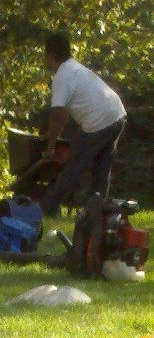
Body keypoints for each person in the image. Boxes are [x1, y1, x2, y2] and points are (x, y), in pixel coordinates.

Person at [40, 31, 126, 213]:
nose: (44, 59)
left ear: (51, 55)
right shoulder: (74, 67)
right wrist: (51, 133)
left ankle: (46, 208)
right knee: (102, 170)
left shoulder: (61, 77)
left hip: (98, 121)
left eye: (44, 54)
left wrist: (50, 149)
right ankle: (98, 212)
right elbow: (62, 113)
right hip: (116, 114)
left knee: (73, 166)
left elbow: (58, 115)